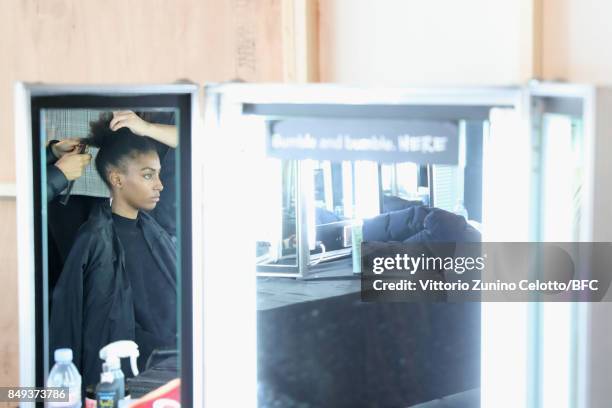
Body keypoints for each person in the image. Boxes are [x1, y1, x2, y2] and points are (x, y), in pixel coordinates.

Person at [50, 116, 178, 389]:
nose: (160, 185)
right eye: (148, 175)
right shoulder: (95, 240)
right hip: (131, 372)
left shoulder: (156, 230)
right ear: (117, 179)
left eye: (157, 174)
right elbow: (90, 327)